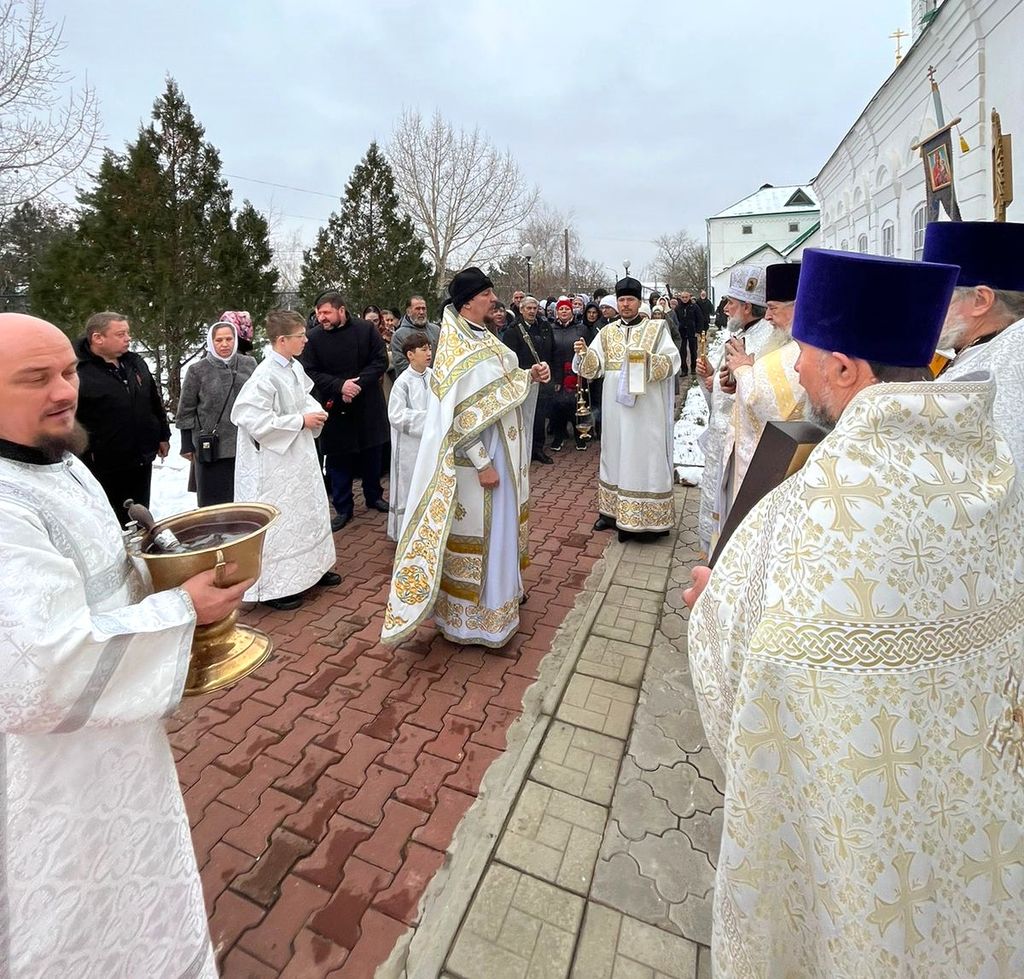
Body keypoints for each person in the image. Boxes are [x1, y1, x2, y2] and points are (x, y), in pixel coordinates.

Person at [683, 248, 1024, 977]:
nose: (796, 370)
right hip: (979, 837)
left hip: (858, 855)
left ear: (844, 368)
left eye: (804, 354)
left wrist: (717, 599)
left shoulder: (812, 508)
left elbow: (742, 674)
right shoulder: (989, 465)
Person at [0, 312, 253, 978]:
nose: (65, 391)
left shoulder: (59, 460)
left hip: (112, 738)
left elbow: (103, 571)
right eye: (36, 378)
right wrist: (180, 610)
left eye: (66, 372)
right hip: (52, 776)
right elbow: (41, 669)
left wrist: (162, 571)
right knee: (79, 911)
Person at [382, 268, 550, 647]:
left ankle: (504, 596)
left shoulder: (483, 335)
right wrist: (483, 463)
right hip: (479, 463)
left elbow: (498, 387)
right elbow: (456, 418)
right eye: (487, 293)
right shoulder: (455, 349)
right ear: (469, 301)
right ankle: (474, 621)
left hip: (502, 454)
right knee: (484, 533)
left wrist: (529, 376)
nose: (494, 299)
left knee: (502, 528)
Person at [232, 310, 339, 611]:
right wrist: (300, 421)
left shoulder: (293, 366)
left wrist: (314, 412)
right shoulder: (264, 376)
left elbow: (303, 396)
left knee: (308, 510)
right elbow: (252, 419)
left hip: (299, 455)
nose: (306, 340)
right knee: (282, 519)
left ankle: (314, 568)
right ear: (281, 340)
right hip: (275, 464)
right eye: (300, 336)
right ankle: (276, 587)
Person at [574, 277, 681, 540]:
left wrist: (646, 361)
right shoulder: (606, 332)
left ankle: (647, 521)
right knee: (614, 452)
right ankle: (611, 513)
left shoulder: (656, 329)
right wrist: (583, 354)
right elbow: (593, 368)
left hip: (646, 409)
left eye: (630, 300)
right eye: (621, 300)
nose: (625, 304)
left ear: (639, 301)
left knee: (644, 455)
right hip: (615, 409)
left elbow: (672, 361)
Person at [923, 220, 1024, 468]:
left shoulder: (1010, 360)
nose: (926, 310)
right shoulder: (984, 347)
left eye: (937, 296)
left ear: (981, 300)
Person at [718, 262, 808, 519]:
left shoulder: (801, 350)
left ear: (798, 308)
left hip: (776, 466)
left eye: (773, 308)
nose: (768, 317)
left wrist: (744, 372)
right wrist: (736, 383)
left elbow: (768, 404)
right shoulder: (783, 342)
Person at [695, 265, 773, 554]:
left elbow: (760, 396)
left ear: (747, 306)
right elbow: (724, 392)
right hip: (722, 439)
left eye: (731, 302)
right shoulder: (741, 335)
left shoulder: (767, 342)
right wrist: (710, 377)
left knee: (732, 513)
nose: (725, 308)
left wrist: (733, 381)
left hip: (740, 446)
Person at [73, 311, 172, 527]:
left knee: (140, 514)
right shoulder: (77, 371)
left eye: (127, 333)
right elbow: (71, 419)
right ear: (98, 338)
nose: (128, 338)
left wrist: (162, 435)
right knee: (112, 521)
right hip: (103, 464)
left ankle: (141, 543)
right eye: (120, 334)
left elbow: (153, 400)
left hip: (141, 457)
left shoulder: (135, 362)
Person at [303, 291, 390, 531]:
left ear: (341, 310)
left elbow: (380, 361)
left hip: (367, 401)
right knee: (339, 460)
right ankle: (343, 508)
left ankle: (374, 496)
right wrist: (340, 386)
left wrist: (356, 385)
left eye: (326, 312)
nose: (321, 317)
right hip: (334, 405)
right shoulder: (313, 338)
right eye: (319, 313)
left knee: (372, 454)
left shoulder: (366, 330)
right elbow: (309, 371)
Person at [176, 319, 257, 506]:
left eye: (229, 339)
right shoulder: (197, 370)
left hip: (244, 443)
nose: (224, 344)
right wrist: (186, 444)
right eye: (219, 340)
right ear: (211, 342)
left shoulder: (249, 364)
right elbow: (186, 409)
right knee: (214, 502)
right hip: (212, 448)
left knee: (244, 499)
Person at [387, 332, 432, 540]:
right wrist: (430, 419)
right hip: (409, 447)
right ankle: (406, 532)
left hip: (430, 443)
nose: (429, 353)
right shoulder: (402, 382)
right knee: (411, 484)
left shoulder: (434, 376)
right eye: (423, 349)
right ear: (410, 355)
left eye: (429, 348)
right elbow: (396, 416)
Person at [503, 295, 555, 464]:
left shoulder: (545, 326)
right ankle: (524, 449)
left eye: (535, 308)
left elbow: (552, 351)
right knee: (525, 416)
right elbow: (511, 359)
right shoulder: (513, 330)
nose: (532, 311)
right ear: (521, 309)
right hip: (525, 378)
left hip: (543, 378)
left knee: (540, 415)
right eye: (528, 308)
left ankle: (538, 448)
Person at [550, 298, 586, 451]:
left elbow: (588, 351)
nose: (564, 311)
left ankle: (580, 437)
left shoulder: (581, 329)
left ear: (572, 311)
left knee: (577, 405)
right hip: (558, 373)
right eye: (561, 309)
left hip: (575, 372)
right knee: (558, 407)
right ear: (556, 312)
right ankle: (559, 437)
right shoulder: (551, 329)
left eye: (567, 309)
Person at [392, 295, 441, 377]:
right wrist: (424, 376)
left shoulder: (436, 330)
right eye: (417, 309)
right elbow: (401, 364)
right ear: (408, 312)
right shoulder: (399, 336)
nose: (421, 312)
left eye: (423, 308)